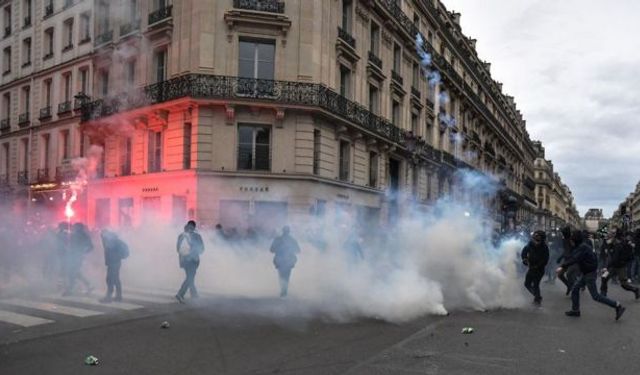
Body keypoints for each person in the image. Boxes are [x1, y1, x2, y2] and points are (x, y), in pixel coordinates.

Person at [558, 230, 626, 321]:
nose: (571, 241)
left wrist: (562, 266)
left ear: (575, 240)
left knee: (595, 296)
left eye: (572, 240)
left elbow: (574, 258)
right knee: (575, 289)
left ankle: (617, 305)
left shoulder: (582, 247)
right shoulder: (581, 246)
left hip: (589, 274)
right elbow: (573, 256)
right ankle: (575, 310)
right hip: (587, 272)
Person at [600, 231, 639, 299]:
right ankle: (603, 294)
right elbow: (610, 257)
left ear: (613, 238)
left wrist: (607, 267)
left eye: (609, 238)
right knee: (604, 278)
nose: (607, 240)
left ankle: (635, 290)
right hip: (613, 267)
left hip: (620, 267)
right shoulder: (611, 245)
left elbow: (614, 258)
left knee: (624, 285)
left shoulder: (618, 246)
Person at [175, 220, 204, 303]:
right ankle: (180, 294)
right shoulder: (197, 236)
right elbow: (202, 249)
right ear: (194, 227)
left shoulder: (181, 235)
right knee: (190, 277)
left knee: (190, 276)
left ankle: (194, 294)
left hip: (184, 260)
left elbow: (177, 249)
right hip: (193, 260)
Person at [63, 223, 94, 296]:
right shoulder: (75, 234)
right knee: (74, 272)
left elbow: (91, 246)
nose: (74, 228)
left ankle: (70, 289)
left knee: (72, 272)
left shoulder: (84, 235)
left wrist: (82, 252)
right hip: (72, 255)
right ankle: (88, 285)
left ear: (79, 228)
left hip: (77, 256)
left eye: (75, 227)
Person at [270, 226, 301, 297]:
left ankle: (283, 291)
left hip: (281, 261)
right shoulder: (292, 240)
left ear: (283, 231)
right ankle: (284, 291)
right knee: (286, 276)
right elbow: (298, 250)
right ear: (288, 232)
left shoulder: (278, 239)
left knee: (281, 276)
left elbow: (271, 250)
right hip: (287, 261)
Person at [99, 230, 129, 303]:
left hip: (114, 262)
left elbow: (112, 251)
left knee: (110, 279)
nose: (102, 237)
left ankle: (108, 297)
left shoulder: (113, 241)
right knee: (115, 279)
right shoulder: (112, 240)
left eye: (103, 235)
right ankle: (118, 296)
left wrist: (116, 257)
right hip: (114, 262)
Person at [521, 230, 549, 305]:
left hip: (539, 269)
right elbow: (524, 252)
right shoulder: (530, 244)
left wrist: (538, 266)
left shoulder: (544, 247)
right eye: (535, 236)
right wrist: (524, 259)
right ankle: (537, 296)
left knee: (536, 284)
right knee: (527, 284)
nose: (536, 238)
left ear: (542, 238)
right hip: (531, 267)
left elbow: (545, 259)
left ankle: (537, 298)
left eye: (538, 236)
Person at [556, 226, 579, 295]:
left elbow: (575, 250)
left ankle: (575, 289)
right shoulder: (564, 240)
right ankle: (569, 286)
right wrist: (560, 257)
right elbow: (565, 250)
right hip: (566, 260)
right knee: (560, 274)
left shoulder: (572, 240)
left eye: (564, 233)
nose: (563, 234)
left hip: (573, 261)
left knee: (570, 275)